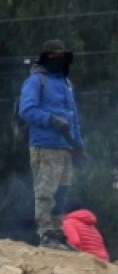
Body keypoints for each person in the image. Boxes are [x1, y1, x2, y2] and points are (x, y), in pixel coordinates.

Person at [19, 39, 85, 250]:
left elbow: (73, 118)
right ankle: (45, 233)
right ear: (45, 58)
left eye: (61, 57)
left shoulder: (66, 84)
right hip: (44, 145)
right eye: (54, 57)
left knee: (63, 190)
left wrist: (78, 145)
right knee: (45, 190)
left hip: (65, 147)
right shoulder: (36, 81)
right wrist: (51, 120)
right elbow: (26, 110)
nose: (59, 61)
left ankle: (57, 232)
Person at [55, 189, 110, 263]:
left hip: (90, 260)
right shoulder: (89, 224)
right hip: (104, 259)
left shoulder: (68, 222)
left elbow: (74, 242)